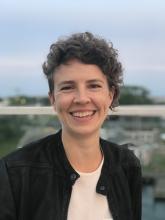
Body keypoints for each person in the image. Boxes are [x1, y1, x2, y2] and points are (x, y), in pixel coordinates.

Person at [0, 32, 142, 220]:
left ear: (110, 95)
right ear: (53, 99)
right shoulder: (13, 173)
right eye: (67, 87)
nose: (82, 99)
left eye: (94, 85)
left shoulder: (127, 165)